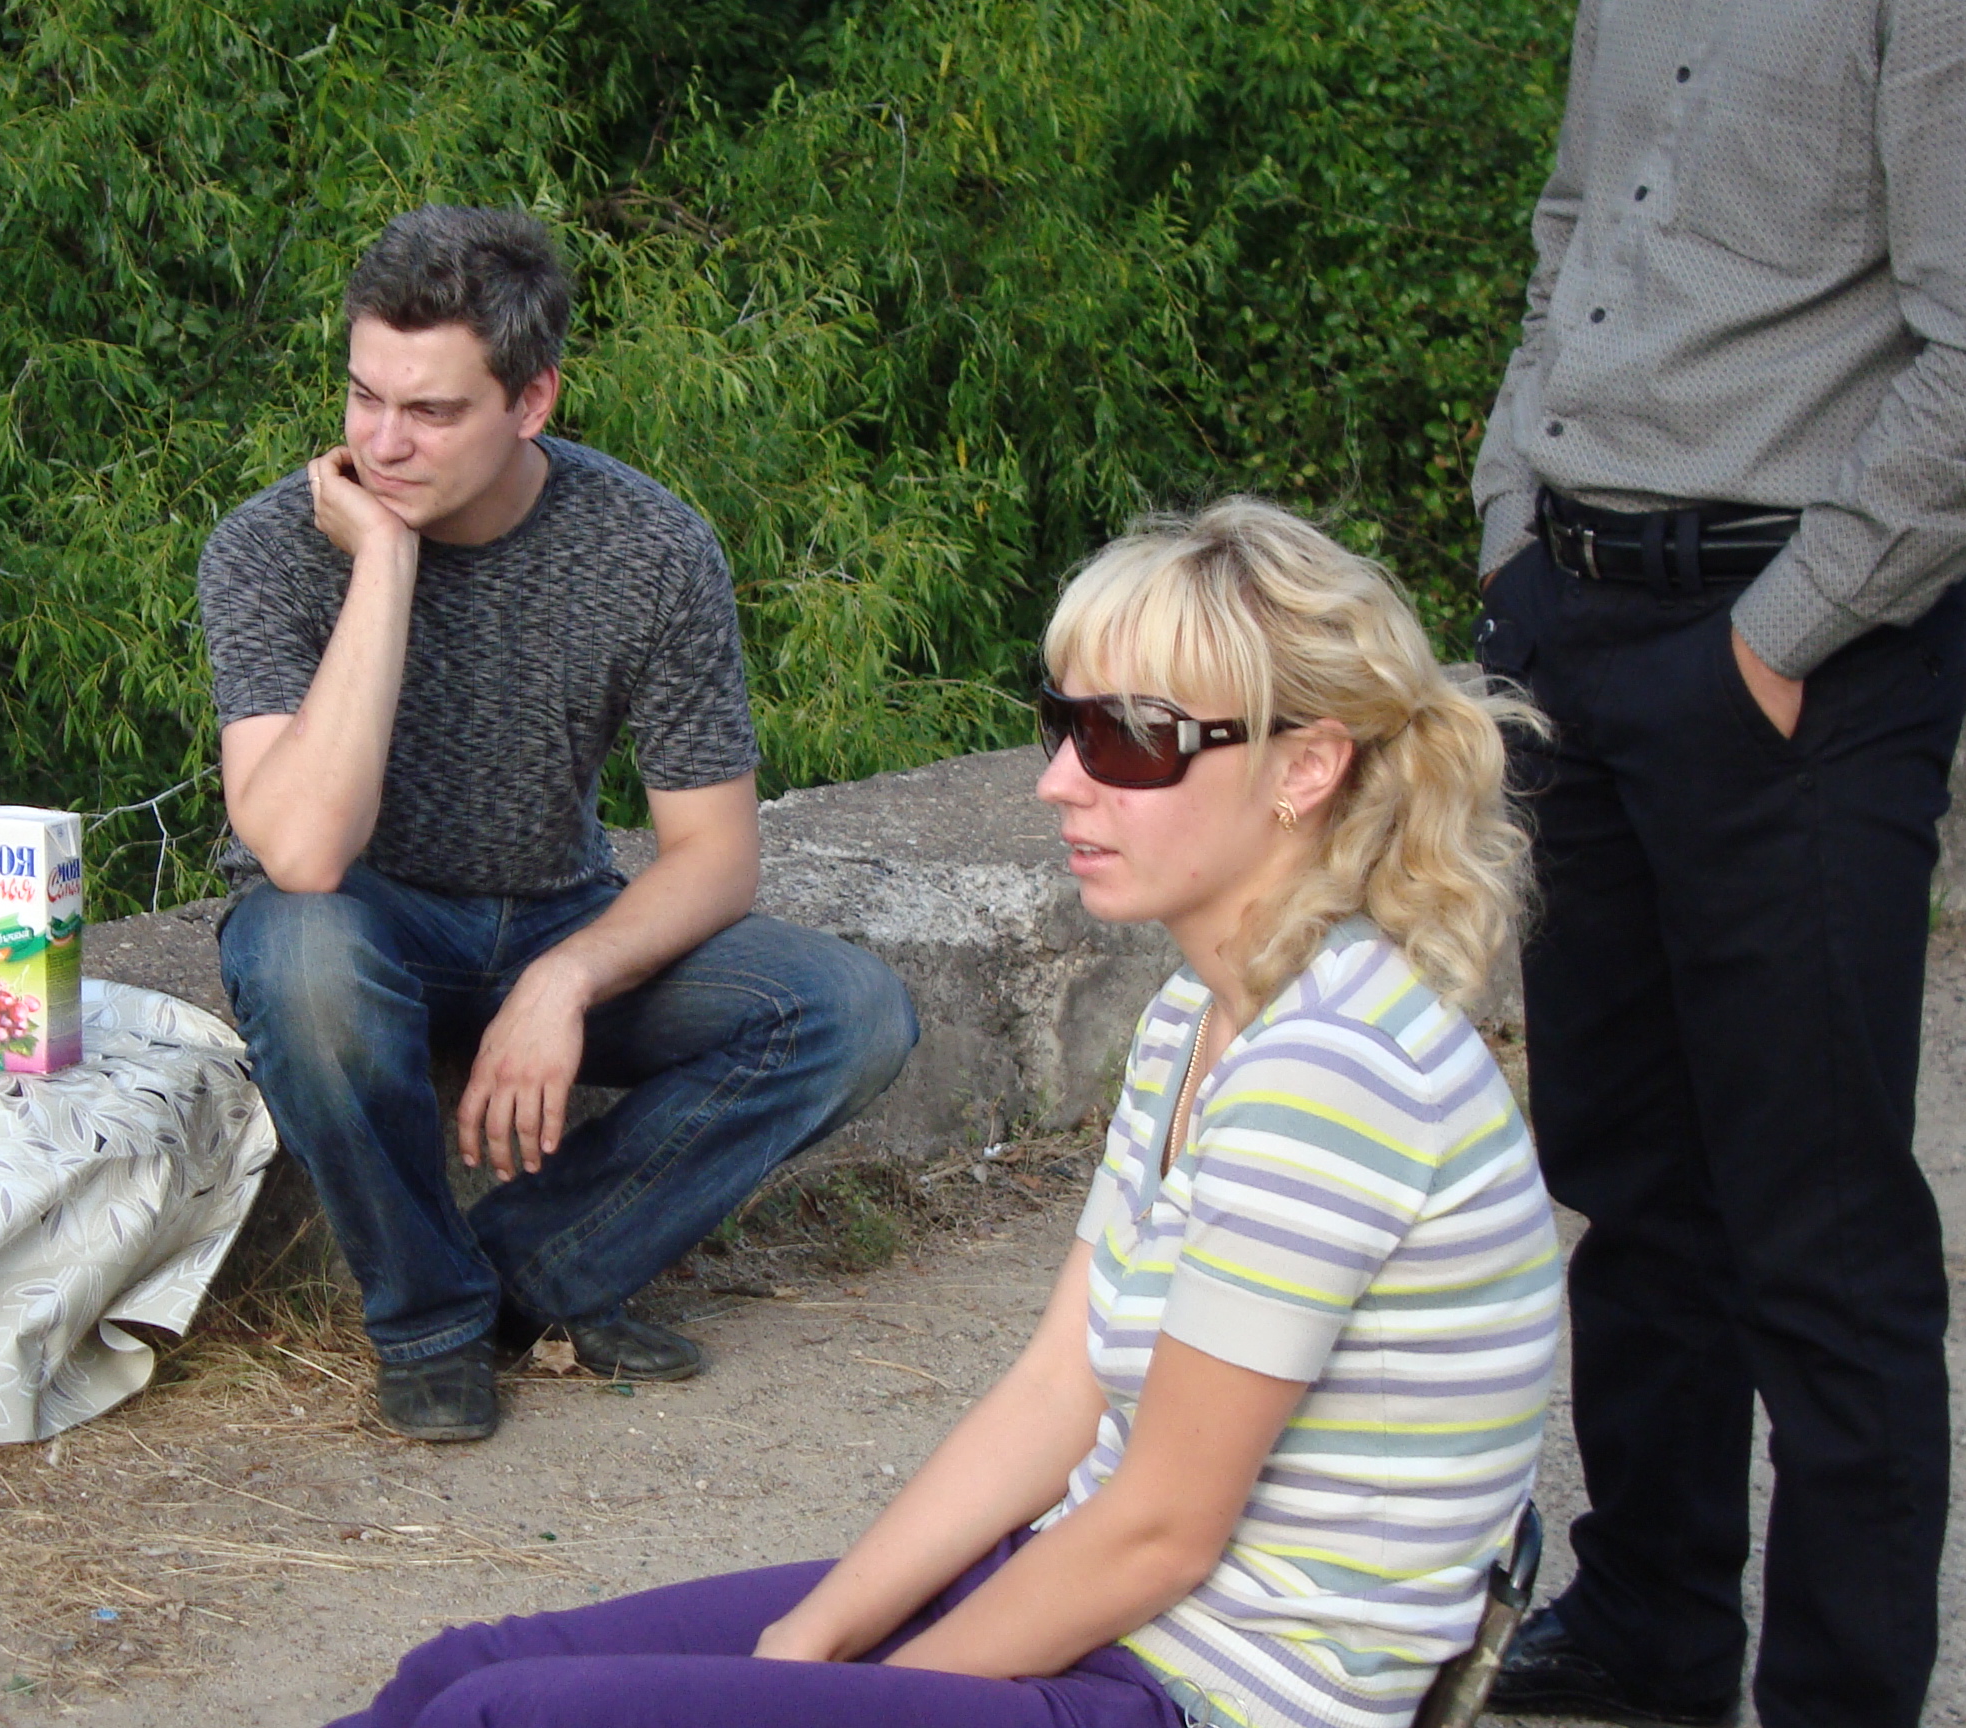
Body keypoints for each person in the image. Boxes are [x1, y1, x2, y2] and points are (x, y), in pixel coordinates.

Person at [327, 499, 1561, 1728]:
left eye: (1130, 739)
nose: (1058, 781)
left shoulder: (1332, 1072)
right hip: (1100, 1608)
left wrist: (864, 1697)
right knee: (457, 1675)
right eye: (1064, 723)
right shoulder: (1200, 1012)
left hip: (1209, 1691)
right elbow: (1061, 1386)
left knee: (507, 1720)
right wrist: (809, 1648)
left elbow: (1162, 1533)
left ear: (1305, 767)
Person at [1464, 6, 1966, 1725]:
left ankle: (1841, 1693)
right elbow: (1571, 230)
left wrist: (1769, 646)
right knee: (1627, 1175)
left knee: (1820, 1230)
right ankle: (1654, 1618)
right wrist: (1514, 526)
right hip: (1572, 616)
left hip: (1798, 650)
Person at [199, 205, 918, 1445]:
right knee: (301, 955)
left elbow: (717, 855)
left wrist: (564, 979)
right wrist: (384, 562)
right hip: (361, 923)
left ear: (532, 401)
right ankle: (430, 1326)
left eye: (432, 412)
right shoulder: (271, 548)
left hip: (553, 908)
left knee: (850, 1013)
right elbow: (305, 853)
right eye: (366, 396)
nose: (382, 442)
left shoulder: (649, 544)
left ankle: (530, 1272)